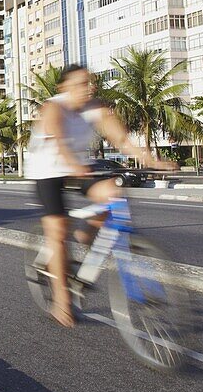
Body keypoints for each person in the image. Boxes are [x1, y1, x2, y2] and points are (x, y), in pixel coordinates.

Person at [25, 64, 176, 327]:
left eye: (91, 83)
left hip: (78, 167)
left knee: (113, 194)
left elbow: (123, 141)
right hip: (46, 169)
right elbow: (59, 142)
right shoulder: (54, 107)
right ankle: (61, 300)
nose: (89, 88)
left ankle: (86, 234)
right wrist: (74, 165)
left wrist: (152, 160)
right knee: (58, 230)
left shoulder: (98, 108)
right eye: (82, 84)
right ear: (64, 88)